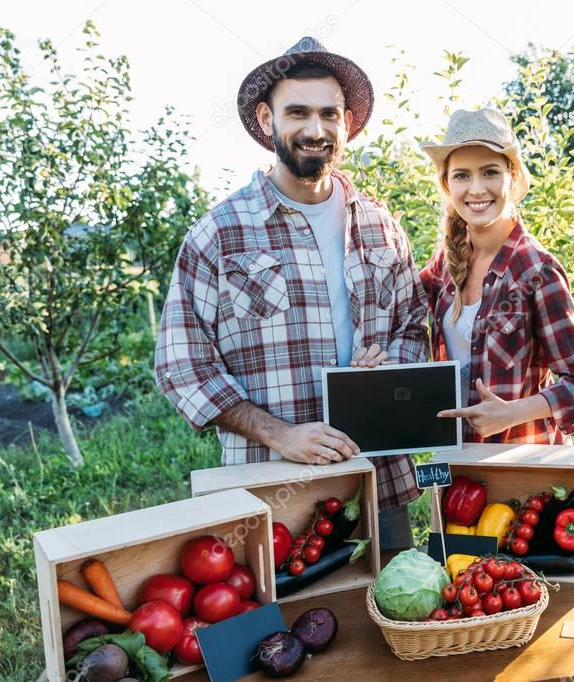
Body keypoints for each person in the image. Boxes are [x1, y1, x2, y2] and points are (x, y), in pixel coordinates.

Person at [154, 37, 427, 547]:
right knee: (289, 621)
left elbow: (415, 324)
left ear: (346, 124)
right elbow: (181, 365)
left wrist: (392, 370)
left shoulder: (380, 226)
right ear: (266, 119)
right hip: (270, 490)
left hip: (378, 478)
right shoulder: (221, 233)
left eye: (329, 114)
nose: (315, 129)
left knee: (396, 611)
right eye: (297, 112)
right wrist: (281, 435)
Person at [419, 109, 574, 444]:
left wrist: (511, 413)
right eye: (462, 176)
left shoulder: (536, 271)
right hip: (458, 461)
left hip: (523, 463)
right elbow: (402, 317)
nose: (476, 189)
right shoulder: (444, 265)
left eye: (490, 172)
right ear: (447, 184)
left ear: (512, 177)